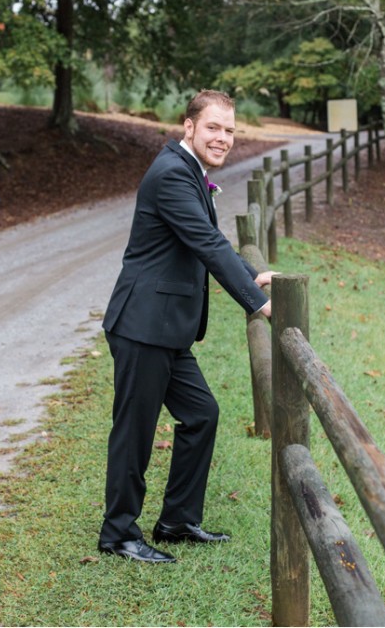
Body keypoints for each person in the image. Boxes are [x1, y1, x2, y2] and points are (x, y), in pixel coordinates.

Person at [98, 89, 277, 563]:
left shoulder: (188, 171)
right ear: (189, 126)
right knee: (134, 432)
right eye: (214, 127)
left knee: (201, 415)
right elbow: (206, 244)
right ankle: (118, 534)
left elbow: (208, 239)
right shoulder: (172, 174)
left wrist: (249, 271)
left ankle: (177, 520)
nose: (223, 138)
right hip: (143, 325)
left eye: (230, 130)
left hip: (168, 328)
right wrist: (260, 303)